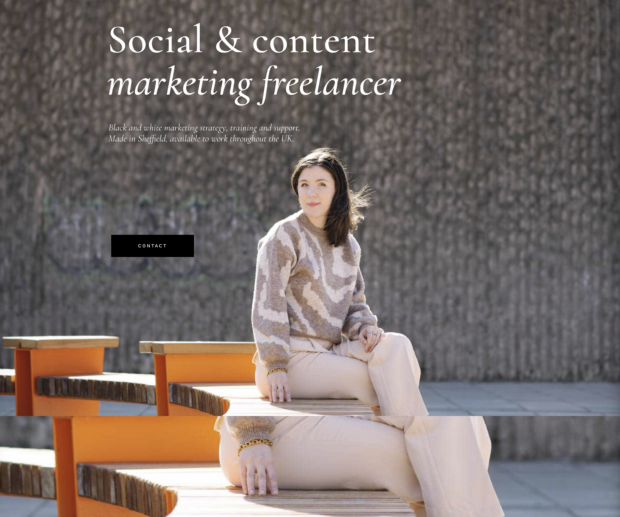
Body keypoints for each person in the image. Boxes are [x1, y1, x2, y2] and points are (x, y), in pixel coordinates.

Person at [252, 148, 427, 416]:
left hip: (331, 353)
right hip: (290, 362)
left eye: (321, 185)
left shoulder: (348, 245)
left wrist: (365, 328)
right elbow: (268, 303)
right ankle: (410, 436)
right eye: (304, 185)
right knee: (386, 381)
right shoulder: (284, 236)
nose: (311, 193)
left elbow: (353, 304)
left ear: (337, 191)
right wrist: (276, 366)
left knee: (397, 345)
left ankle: (408, 432)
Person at [215, 415, 505, 517]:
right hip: (261, 439)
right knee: (446, 453)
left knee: (465, 426)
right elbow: (266, 331)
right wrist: (251, 431)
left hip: (325, 415)